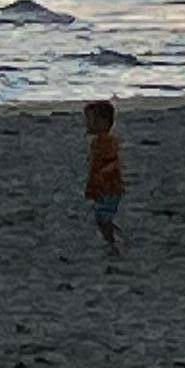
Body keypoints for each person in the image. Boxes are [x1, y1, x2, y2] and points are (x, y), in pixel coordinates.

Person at [83, 98, 125, 255]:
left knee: (103, 219)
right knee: (102, 218)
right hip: (103, 187)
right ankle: (114, 239)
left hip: (109, 187)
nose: (88, 124)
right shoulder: (98, 142)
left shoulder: (106, 141)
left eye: (91, 120)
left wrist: (100, 177)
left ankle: (113, 244)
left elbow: (112, 163)